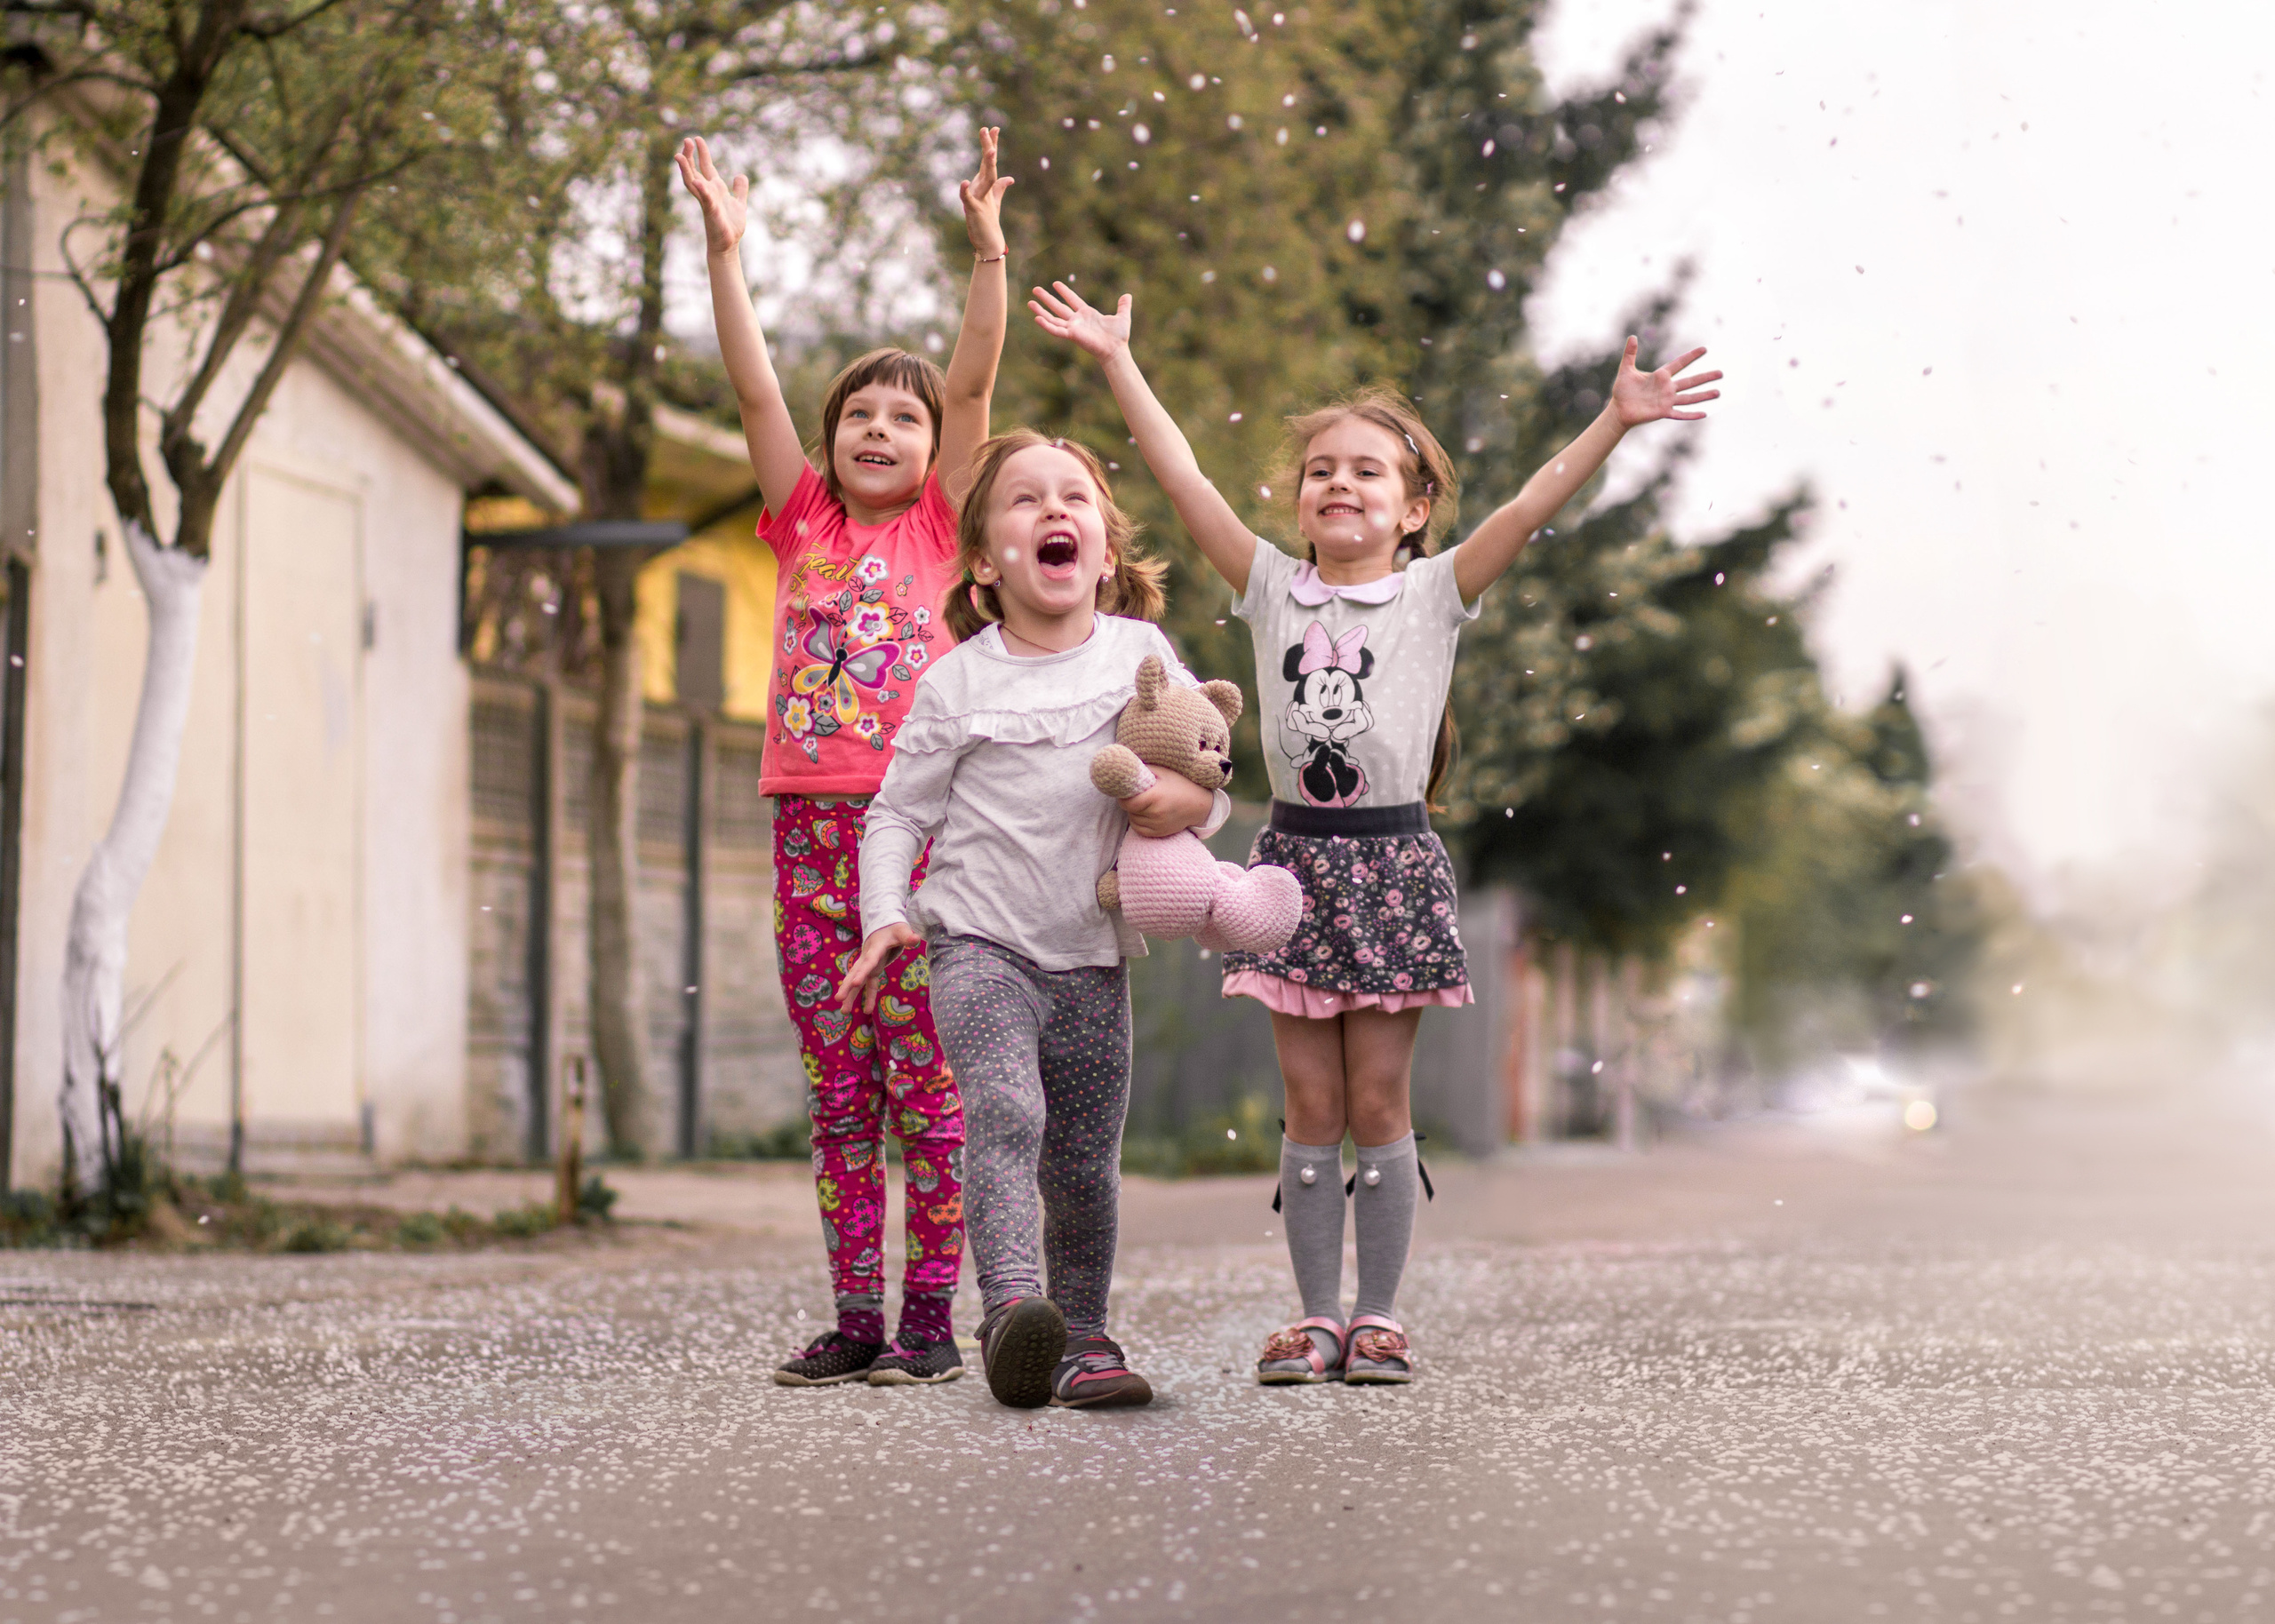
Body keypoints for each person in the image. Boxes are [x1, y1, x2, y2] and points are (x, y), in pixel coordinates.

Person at [1031, 280, 1721, 1384]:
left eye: (1366, 469)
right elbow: (1182, 479)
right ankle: (1313, 1319)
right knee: (1309, 1104)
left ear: (1410, 509)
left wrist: (1613, 420)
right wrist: (1118, 360)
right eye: (1319, 469)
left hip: (1393, 867)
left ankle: (1380, 1316)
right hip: (1292, 868)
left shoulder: (1435, 593)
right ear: (1300, 504)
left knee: (1375, 1102)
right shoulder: (1266, 586)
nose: (1337, 481)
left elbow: (1527, 510)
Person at [675, 128, 1014, 1389]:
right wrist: (726, 250)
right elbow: (756, 388)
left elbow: (976, 385)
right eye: (859, 414)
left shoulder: (939, 523)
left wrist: (987, 257)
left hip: (915, 840)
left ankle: (931, 1319)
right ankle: (855, 1318)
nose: (881, 427)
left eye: (903, 417)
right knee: (840, 1097)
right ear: (829, 445)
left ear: (937, 455)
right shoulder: (802, 517)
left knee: (926, 1089)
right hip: (806, 836)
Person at [835, 430, 1232, 1410]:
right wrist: (885, 915)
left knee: (1087, 1164)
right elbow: (897, 813)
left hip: (1095, 957)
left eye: (1075, 499)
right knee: (1007, 1114)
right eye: (1024, 500)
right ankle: (1015, 1307)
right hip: (979, 946)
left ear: (1104, 548)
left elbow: (1201, 766)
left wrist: (1193, 809)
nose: (1054, 511)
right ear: (982, 562)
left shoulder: (1142, 654)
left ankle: (1084, 1339)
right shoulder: (958, 680)